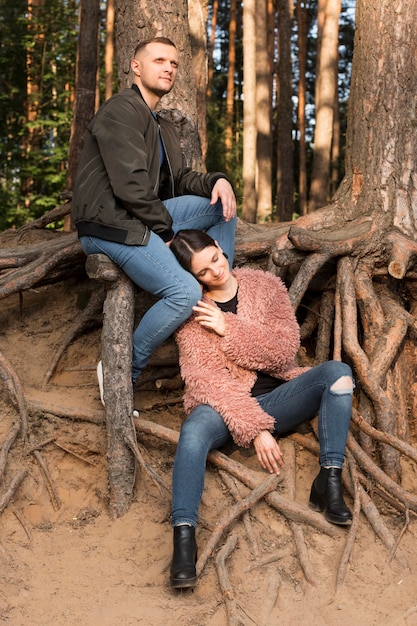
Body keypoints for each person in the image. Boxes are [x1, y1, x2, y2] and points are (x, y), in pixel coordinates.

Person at [168, 229, 354, 589]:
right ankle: (183, 538)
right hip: (225, 408)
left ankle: (329, 482)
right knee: (192, 429)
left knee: (338, 374)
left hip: (281, 396)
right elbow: (205, 381)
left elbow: (284, 350)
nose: (214, 272)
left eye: (215, 260)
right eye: (202, 272)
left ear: (220, 248)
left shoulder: (265, 286)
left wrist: (229, 328)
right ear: (193, 278)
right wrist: (255, 427)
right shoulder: (193, 315)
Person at [71, 37, 237, 402]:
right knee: (183, 292)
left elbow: (180, 182)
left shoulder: (160, 124)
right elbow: (130, 187)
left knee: (221, 205)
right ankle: (122, 369)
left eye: (174, 64)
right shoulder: (121, 111)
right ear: (136, 66)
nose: (168, 68)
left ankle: (219, 292)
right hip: (110, 224)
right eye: (159, 60)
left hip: (139, 219)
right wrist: (163, 231)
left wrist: (217, 180)